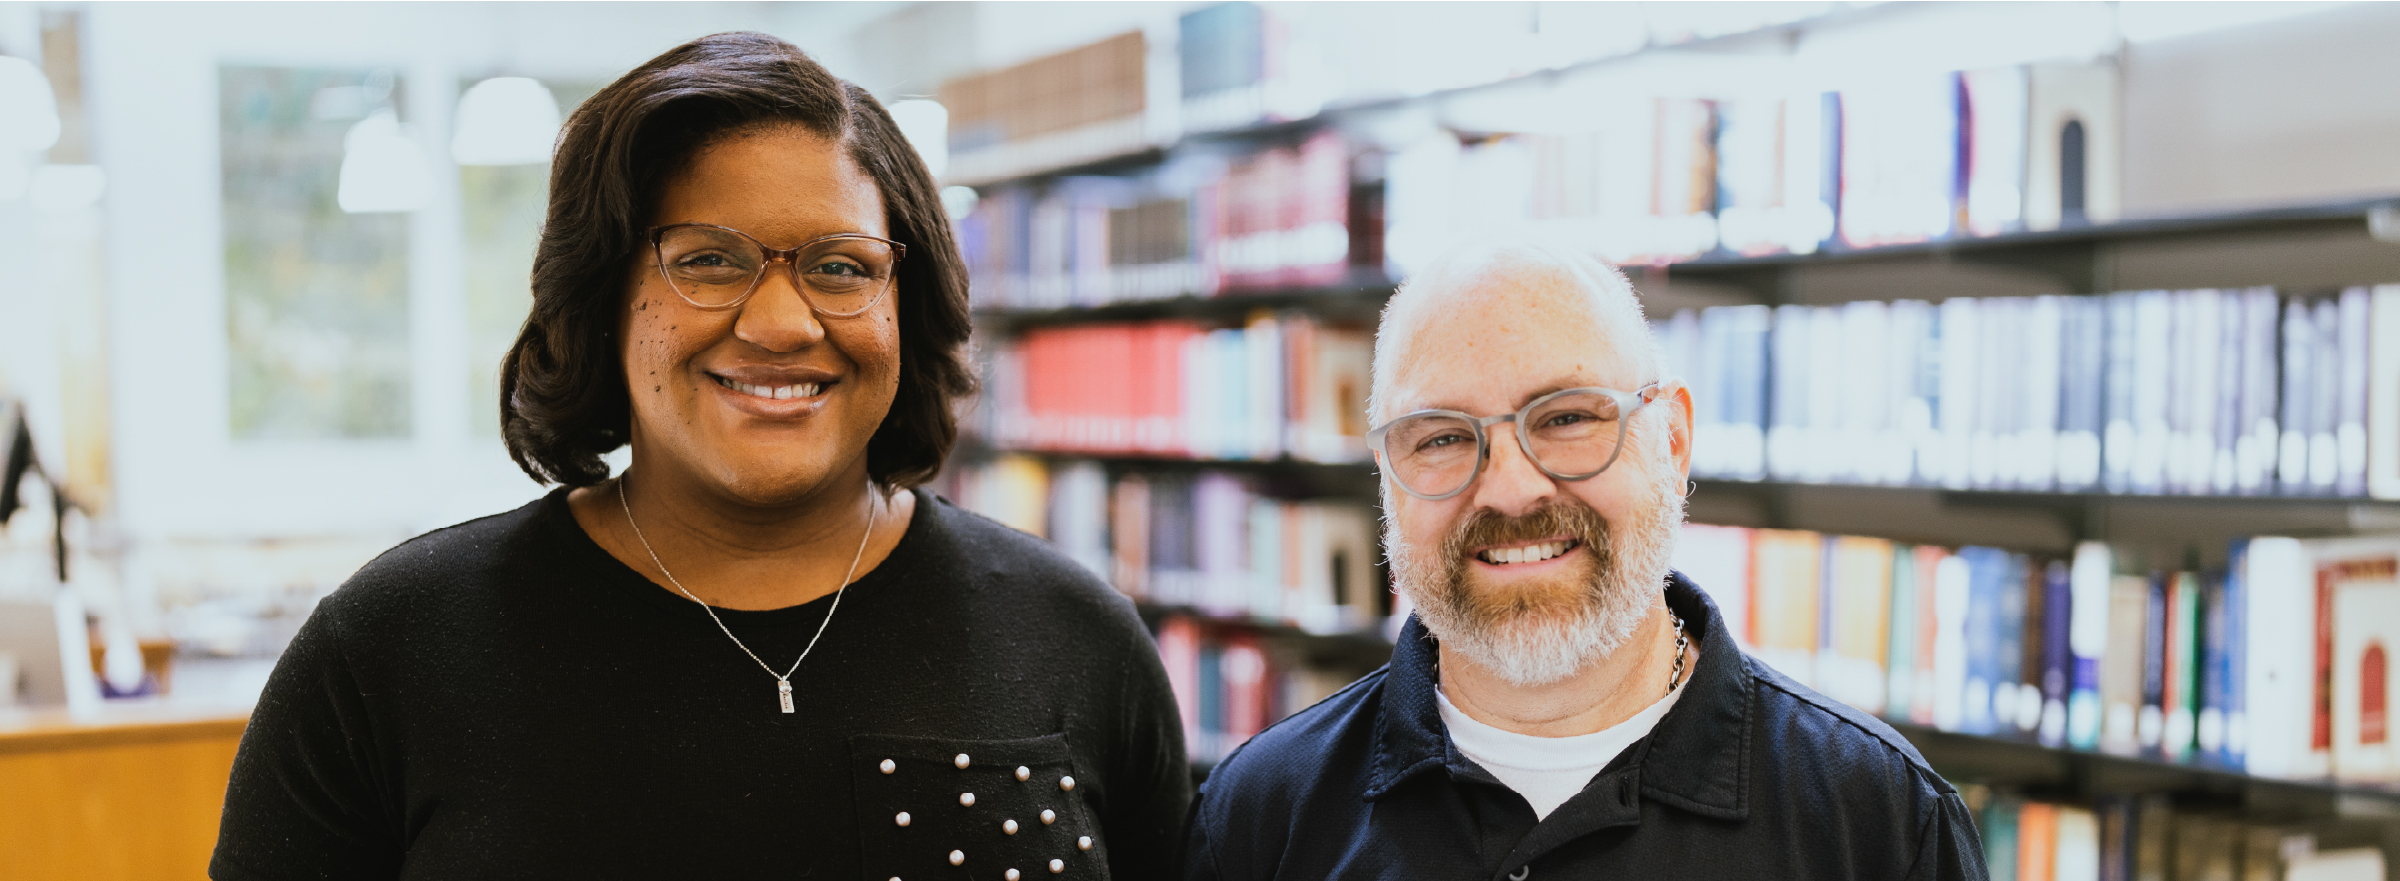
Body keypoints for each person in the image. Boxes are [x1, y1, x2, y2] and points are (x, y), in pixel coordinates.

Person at [213, 33, 1189, 880]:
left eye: (840, 266)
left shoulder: (1075, 638)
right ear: (601, 293)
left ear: (907, 301)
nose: (779, 321)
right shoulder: (391, 648)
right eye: (708, 259)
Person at [1179, 240, 1987, 880]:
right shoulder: (1260, 816)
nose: (1512, 489)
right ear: (1386, 477)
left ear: (1671, 441)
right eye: (1443, 436)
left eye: (1566, 417)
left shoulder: (1877, 820)